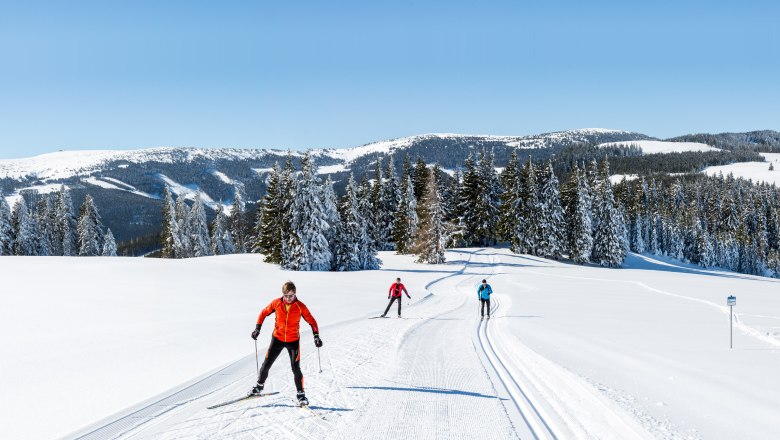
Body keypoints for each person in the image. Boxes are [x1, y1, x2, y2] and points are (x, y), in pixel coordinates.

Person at [250, 281, 322, 406]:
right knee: (266, 364)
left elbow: (312, 321)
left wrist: (316, 336)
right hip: (277, 339)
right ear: (283, 294)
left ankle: (301, 395)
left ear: (295, 294)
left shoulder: (300, 306)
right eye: (286, 296)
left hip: (293, 341)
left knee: (295, 368)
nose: (289, 298)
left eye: (291, 295)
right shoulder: (276, 303)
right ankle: (258, 387)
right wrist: (257, 328)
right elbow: (263, 313)